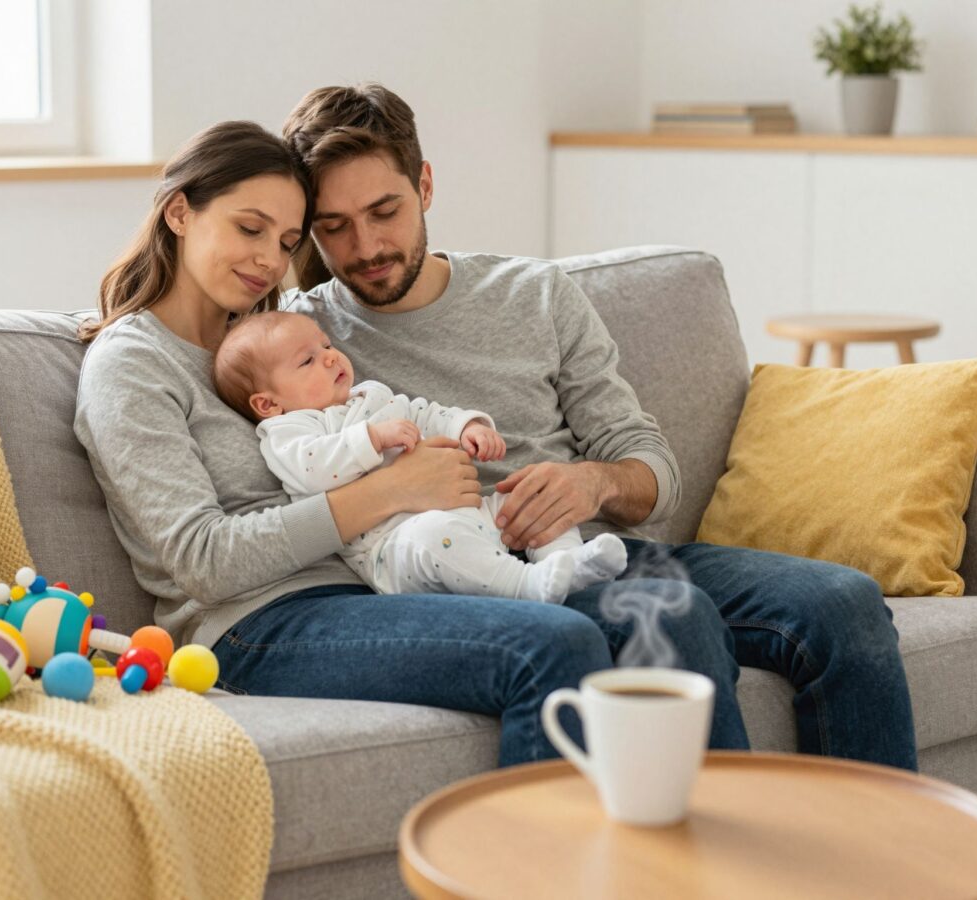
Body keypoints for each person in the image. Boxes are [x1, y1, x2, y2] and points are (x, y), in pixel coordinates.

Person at [278, 82, 918, 770]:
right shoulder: (302, 337)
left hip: (601, 545)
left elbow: (651, 468)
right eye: (334, 227)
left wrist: (591, 483)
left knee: (845, 602)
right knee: (675, 615)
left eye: (384, 211)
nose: (367, 246)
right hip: (484, 574)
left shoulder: (535, 294)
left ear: (425, 185)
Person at [74, 120, 616, 767]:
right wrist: (386, 491)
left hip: (377, 583)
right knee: (554, 644)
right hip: (256, 623)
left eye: (285, 242)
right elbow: (201, 560)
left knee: (642, 615)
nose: (268, 261)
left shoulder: (272, 338)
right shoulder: (131, 363)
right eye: (249, 229)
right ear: (180, 213)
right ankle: (521, 866)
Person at [211, 309, 629, 602]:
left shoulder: (369, 394)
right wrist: (371, 438)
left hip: (472, 513)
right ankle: (527, 584)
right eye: (307, 360)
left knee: (532, 495)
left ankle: (568, 564)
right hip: (398, 548)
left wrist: (467, 427)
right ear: (267, 404)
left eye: (325, 344)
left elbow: (425, 412)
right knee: (433, 537)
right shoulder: (288, 430)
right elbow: (310, 470)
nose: (330, 356)